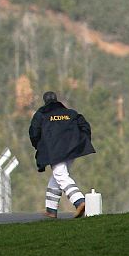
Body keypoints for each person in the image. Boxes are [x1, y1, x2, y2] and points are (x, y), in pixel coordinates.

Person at [28, 91, 95, 219]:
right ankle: (51, 210)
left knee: (61, 175)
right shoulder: (71, 113)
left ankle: (79, 201)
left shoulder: (41, 114)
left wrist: (40, 146)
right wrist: (82, 140)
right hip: (72, 149)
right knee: (58, 177)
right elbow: (84, 126)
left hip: (55, 150)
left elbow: (34, 132)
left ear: (45, 101)